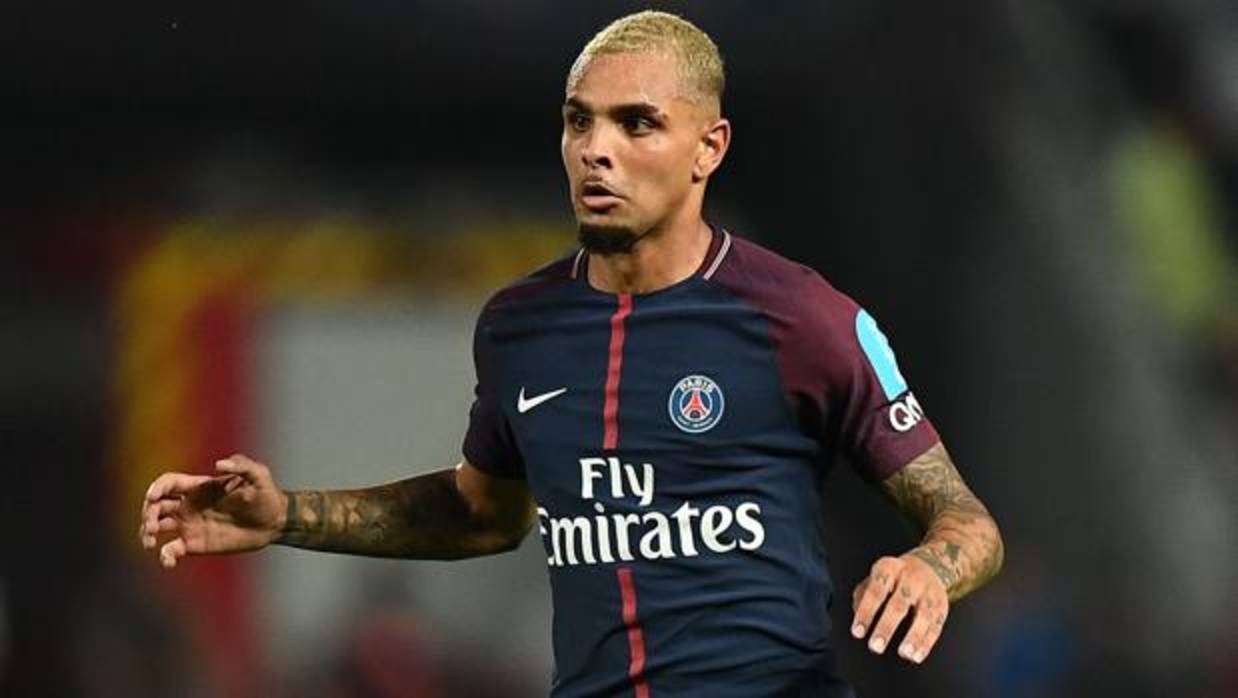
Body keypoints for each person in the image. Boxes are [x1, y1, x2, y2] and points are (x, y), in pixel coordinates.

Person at [139, 10, 1003, 697]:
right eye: (579, 121)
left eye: (637, 124)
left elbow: (967, 524)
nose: (597, 149)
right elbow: (483, 514)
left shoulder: (803, 318)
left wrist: (929, 569)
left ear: (709, 148)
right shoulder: (519, 327)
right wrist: (285, 516)